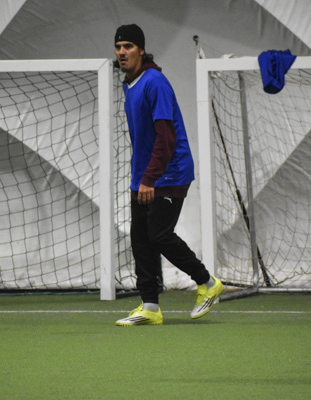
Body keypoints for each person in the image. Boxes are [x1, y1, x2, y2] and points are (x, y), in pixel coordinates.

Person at [113, 24, 223, 326]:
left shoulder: (155, 82)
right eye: (118, 47)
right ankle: (150, 307)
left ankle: (208, 283)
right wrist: (142, 178)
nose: (122, 52)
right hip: (145, 174)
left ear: (141, 50)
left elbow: (166, 137)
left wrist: (150, 178)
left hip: (170, 172)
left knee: (159, 234)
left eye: (128, 46)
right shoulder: (130, 84)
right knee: (140, 238)